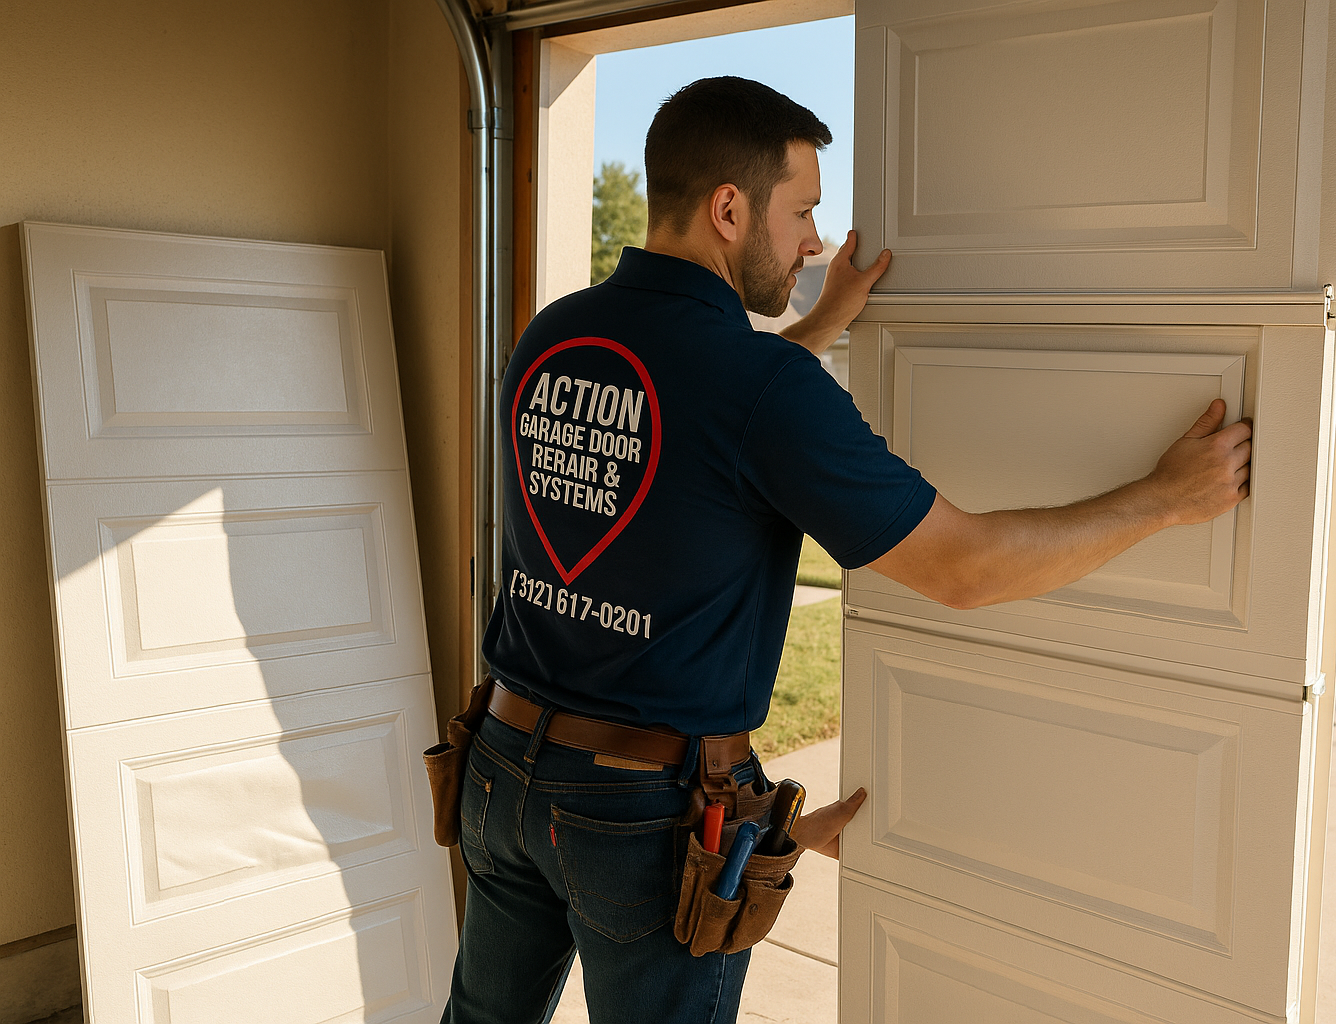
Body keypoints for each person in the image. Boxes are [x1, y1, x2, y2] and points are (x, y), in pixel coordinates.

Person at [441, 76, 1251, 1024]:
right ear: (730, 209)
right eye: (803, 212)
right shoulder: (763, 389)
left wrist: (817, 328)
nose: (816, 244)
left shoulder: (554, 335)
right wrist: (1161, 500)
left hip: (499, 769)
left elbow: (683, 432)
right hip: (640, 822)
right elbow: (965, 567)